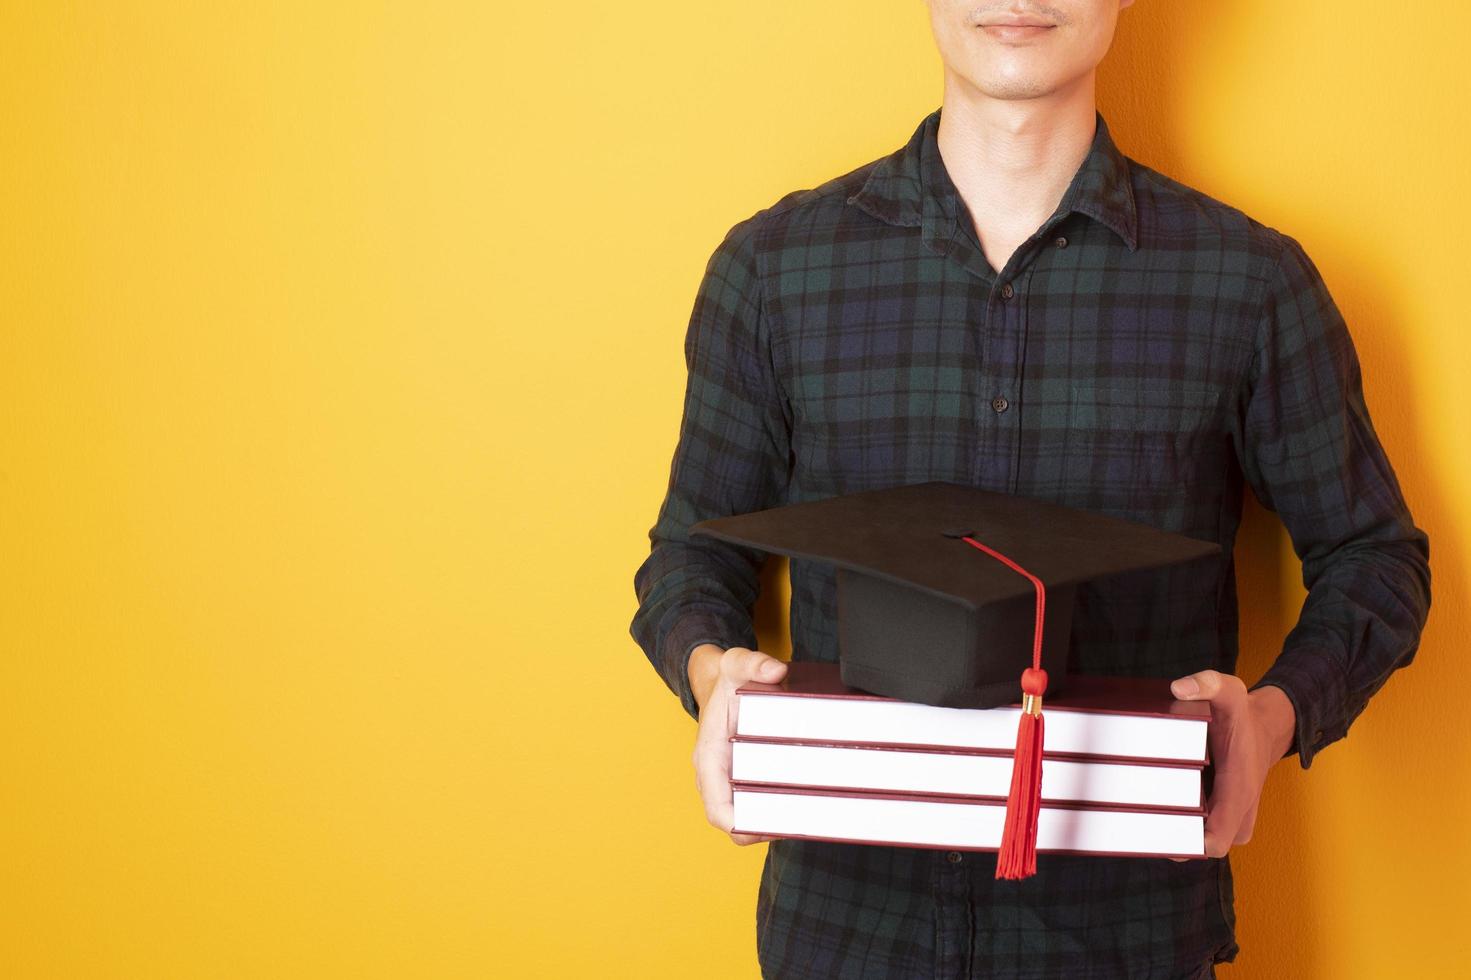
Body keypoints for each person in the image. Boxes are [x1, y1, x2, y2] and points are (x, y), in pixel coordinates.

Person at [629, 1, 1433, 976]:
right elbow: (692, 551)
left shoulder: (1250, 283)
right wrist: (712, 671)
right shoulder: (772, 271)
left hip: (1125, 934)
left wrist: (1271, 718)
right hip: (846, 928)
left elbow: (1373, 558)